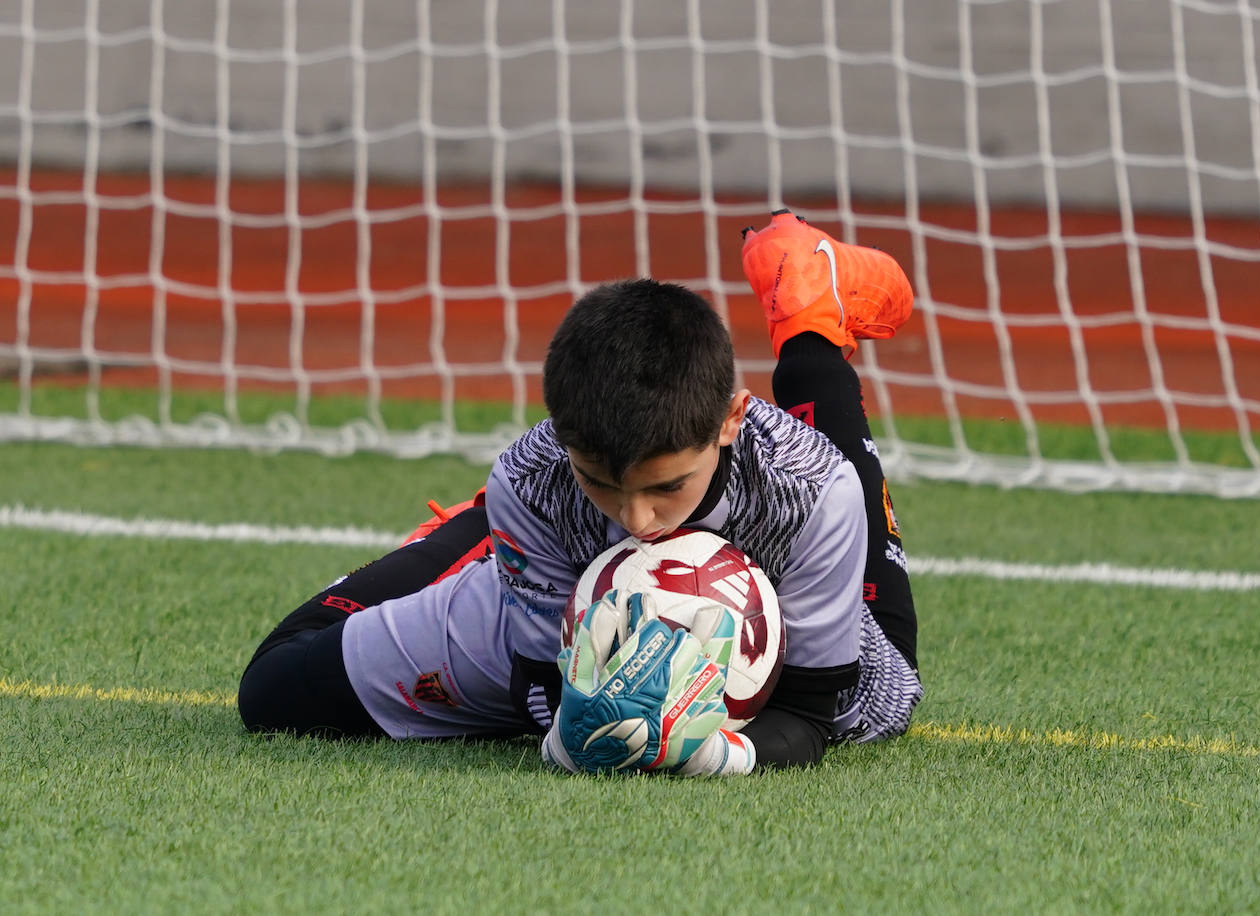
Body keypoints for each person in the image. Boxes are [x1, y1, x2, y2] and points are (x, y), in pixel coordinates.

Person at [238, 209, 923, 773]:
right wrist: (572, 738)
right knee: (274, 686)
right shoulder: (532, 479)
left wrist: (710, 754)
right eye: (600, 484)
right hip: (556, 581)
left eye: (667, 487)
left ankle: (808, 311)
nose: (638, 521)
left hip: (791, 544)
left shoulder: (808, 493)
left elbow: (809, 716)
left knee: (887, 691)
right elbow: (541, 687)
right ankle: (484, 543)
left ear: (728, 423)